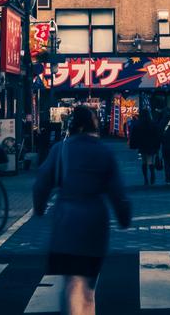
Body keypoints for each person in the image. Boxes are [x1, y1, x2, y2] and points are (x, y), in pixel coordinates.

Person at [33, 105, 131, 315]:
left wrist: (39, 208)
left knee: (71, 281)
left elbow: (42, 182)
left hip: (65, 220)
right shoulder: (103, 151)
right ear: (93, 125)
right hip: (94, 222)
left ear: (72, 126)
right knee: (88, 285)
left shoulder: (60, 149)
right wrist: (123, 217)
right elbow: (117, 192)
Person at [127, 108, 161, 186]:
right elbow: (157, 136)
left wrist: (133, 145)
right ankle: (152, 174)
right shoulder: (152, 124)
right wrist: (157, 146)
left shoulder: (138, 124)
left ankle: (145, 178)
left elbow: (134, 135)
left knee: (144, 162)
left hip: (142, 145)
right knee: (150, 161)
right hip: (151, 145)